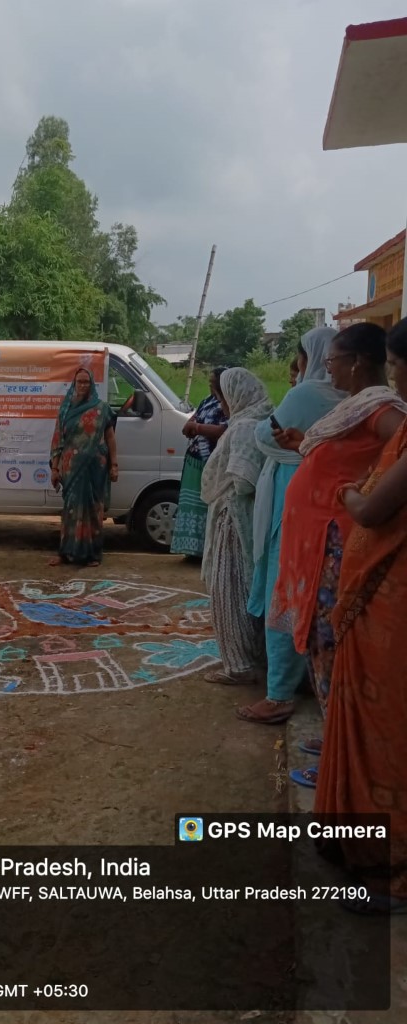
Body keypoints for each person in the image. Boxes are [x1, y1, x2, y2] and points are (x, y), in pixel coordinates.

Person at [268, 323, 407, 787]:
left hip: (337, 545)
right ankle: (335, 739)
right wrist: (301, 445)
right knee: (320, 642)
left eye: (333, 361)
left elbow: (399, 443)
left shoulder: (382, 408)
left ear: (358, 362)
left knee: (331, 644)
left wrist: (359, 489)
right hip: (320, 544)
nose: (328, 369)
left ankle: (339, 758)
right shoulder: (356, 407)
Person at [314, 317, 407, 912]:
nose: (395, 377)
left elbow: (373, 510)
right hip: (383, 603)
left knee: (389, 730)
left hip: (395, 610)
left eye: (398, 366)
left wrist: (350, 492)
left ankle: (394, 873)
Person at [238, 327, 345, 725]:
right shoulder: (356, 399)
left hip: (295, 506)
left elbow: (264, 435)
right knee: (318, 597)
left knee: (285, 591)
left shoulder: (306, 394)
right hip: (333, 509)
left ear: (309, 357)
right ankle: (307, 682)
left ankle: (279, 692)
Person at [199, 368, 273, 684]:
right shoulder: (261, 420)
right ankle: (251, 659)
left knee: (229, 591)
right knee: (245, 589)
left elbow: (243, 481)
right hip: (246, 517)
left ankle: (240, 664)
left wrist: (226, 485)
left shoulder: (243, 428)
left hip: (234, 519)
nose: (222, 405)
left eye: (223, 398)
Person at [49, 367, 118, 568]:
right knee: (70, 510)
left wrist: (114, 464)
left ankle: (92, 555)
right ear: (74, 383)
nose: (82, 385)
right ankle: (66, 553)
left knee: (93, 510)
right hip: (71, 469)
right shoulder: (66, 409)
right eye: (79, 382)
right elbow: (58, 440)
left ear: (91, 384)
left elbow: (110, 437)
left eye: (86, 382)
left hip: (95, 468)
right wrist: (55, 468)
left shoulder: (101, 408)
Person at [170, 367, 228, 558]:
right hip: (195, 461)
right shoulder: (207, 401)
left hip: (211, 462)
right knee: (192, 504)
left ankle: (205, 549)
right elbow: (189, 423)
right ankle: (191, 549)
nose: (210, 385)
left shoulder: (228, 404)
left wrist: (197, 427)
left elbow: (223, 430)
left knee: (207, 505)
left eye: (213, 382)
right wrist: (194, 426)